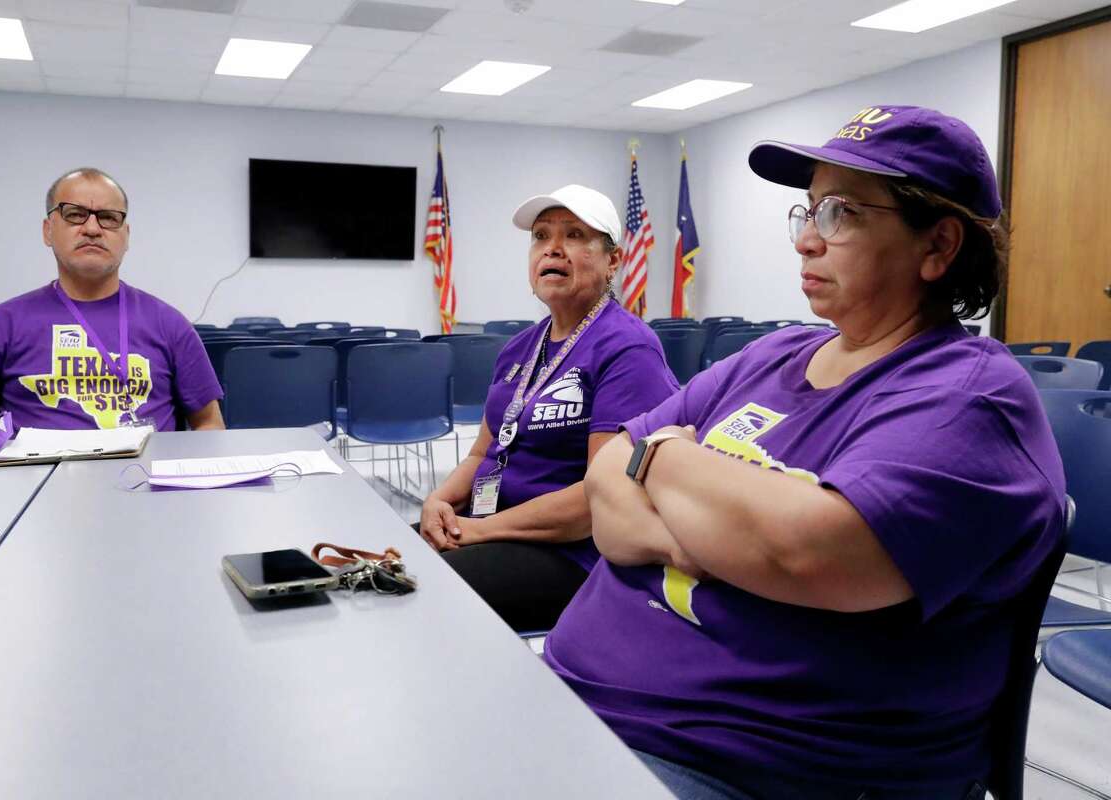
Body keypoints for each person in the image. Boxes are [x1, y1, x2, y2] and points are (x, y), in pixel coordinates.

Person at [546, 106, 1066, 800]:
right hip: (574, 699)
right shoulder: (776, 353)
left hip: (745, 766)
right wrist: (706, 534)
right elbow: (605, 484)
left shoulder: (971, 395)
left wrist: (663, 461)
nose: (806, 242)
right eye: (809, 211)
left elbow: (808, 552)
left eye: (842, 214)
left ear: (938, 246)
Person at [418, 184, 679, 631]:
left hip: (571, 555)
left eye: (575, 235)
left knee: (424, 595)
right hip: (490, 527)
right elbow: (483, 452)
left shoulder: (628, 348)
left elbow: (604, 498)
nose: (553, 249)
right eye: (541, 235)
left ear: (613, 261)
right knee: (383, 560)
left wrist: (480, 531)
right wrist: (438, 501)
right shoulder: (519, 348)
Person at [0, 167, 224, 431]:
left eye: (109, 218)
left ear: (126, 235)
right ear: (48, 230)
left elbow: (208, 422)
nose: (93, 229)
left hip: (144, 481)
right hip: (36, 485)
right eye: (74, 214)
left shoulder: (169, 323)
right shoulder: (2, 323)